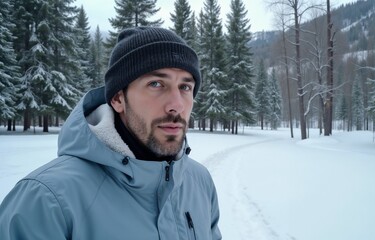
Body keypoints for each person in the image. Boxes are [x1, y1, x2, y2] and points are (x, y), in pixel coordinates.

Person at [0, 27, 222, 240]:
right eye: (156, 84)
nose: (177, 105)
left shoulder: (199, 182)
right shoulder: (47, 200)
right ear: (117, 99)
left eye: (185, 87)